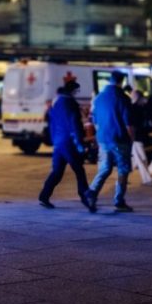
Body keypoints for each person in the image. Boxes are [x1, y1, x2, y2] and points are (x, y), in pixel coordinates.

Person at [38, 76, 93, 210]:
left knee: (57, 171)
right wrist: (79, 143)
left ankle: (44, 196)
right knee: (79, 170)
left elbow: (52, 123)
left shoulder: (56, 103)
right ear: (73, 91)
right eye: (77, 91)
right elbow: (75, 124)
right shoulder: (71, 103)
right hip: (69, 142)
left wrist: (54, 140)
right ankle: (86, 198)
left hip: (58, 143)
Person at [85, 72, 135, 212]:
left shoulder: (99, 98)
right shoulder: (123, 98)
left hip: (103, 139)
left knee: (105, 168)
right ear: (121, 82)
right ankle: (119, 201)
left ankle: (92, 192)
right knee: (123, 169)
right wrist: (131, 140)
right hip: (119, 140)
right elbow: (128, 124)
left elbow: (95, 121)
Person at [129, 89, 152, 185]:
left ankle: (122, 175)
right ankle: (147, 179)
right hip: (136, 137)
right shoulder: (134, 108)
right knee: (141, 158)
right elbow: (132, 124)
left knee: (136, 160)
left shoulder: (139, 108)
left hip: (138, 136)